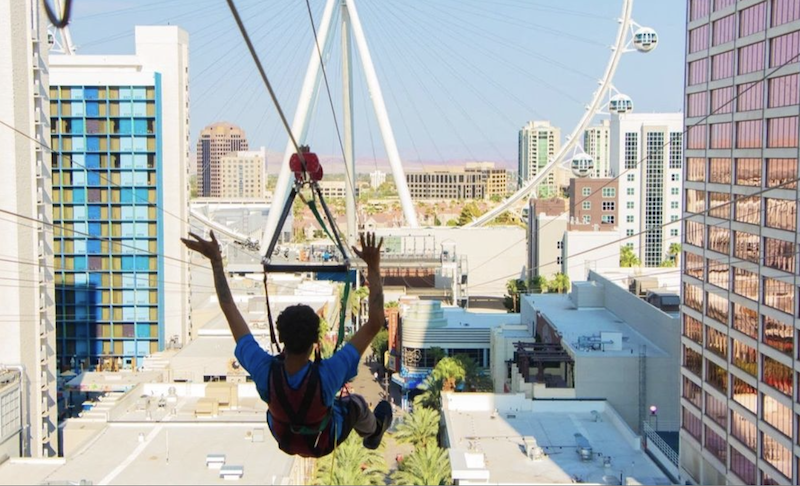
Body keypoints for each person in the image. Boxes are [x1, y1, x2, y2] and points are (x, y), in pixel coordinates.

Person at [181, 231, 392, 458]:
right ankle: (374, 431)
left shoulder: (265, 371)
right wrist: (373, 266)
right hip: (322, 441)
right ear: (315, 342)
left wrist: (215, 261)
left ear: (281, 338)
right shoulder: (329, 374)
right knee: (356, 403)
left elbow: (228, 307)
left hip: (286, 438)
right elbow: (375, 322)